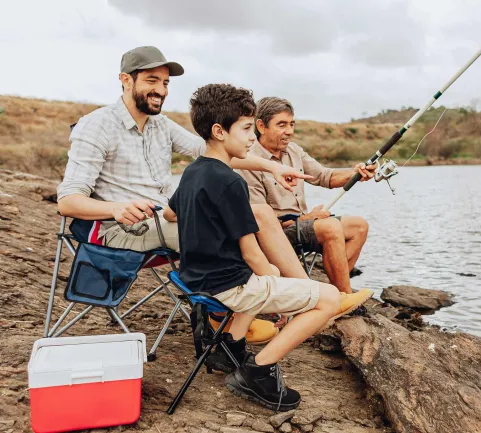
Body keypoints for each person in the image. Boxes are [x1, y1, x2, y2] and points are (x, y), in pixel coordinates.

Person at [56, 46, 312, 343]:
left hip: (166, 219)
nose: (161, 90)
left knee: (260, 213)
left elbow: (218, 149)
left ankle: (303, 293)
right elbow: (67, 201)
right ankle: (228, 321)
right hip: (123, 229)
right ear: (126, 80)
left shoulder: (160, 125)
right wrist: (115, 208)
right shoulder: (97, 125)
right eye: (152, 81)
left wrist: (271, 167)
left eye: (165, 83)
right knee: (233, 232)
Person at [164, 84, 373, 410]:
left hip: (193, 279)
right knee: (328, 298)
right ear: (219, 131)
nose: (251, 138)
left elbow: (170, 212)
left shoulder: (192, 172)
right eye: (247, 128)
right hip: (226, 286)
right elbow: (250, 253)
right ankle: (257, 371)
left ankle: (230, 344)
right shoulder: (231, 181)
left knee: (267, 274)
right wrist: (279, 285)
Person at [237, 97, 375, 294]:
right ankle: (344, 297)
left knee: (359, 226)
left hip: (303, 225)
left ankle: (335, 288)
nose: (289, 131)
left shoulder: (293, 150)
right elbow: (261, 220)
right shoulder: (248, 160)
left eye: (292, 124)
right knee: (330, 227)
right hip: (277, 233)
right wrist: (308, 218)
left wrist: (357, 173)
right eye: (282, 125)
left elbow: (324, 177)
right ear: (261, 126)